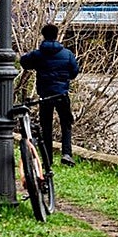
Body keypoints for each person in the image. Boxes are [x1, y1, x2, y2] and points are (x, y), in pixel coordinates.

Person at [20, 24, 79, 167]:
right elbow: (74, 72)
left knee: (46, 126)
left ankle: (48, 158)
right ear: (57, 35)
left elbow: (24, 62)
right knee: (66, 124)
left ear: (43, 35)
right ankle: (66, 153)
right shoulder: (67, 54)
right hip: (61, 94)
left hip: (45, 95)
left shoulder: (38, 54)